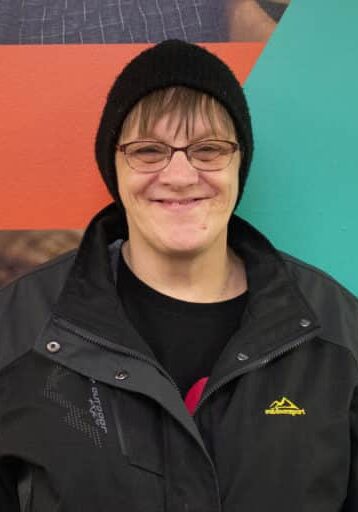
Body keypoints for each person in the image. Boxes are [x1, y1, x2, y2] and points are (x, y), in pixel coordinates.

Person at [0, 39, 357, 512]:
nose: (181, 175)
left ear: (238, 163)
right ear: (114, 165)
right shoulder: (17, 327)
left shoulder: (336, 330)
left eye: (208, 149)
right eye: (149, 150)